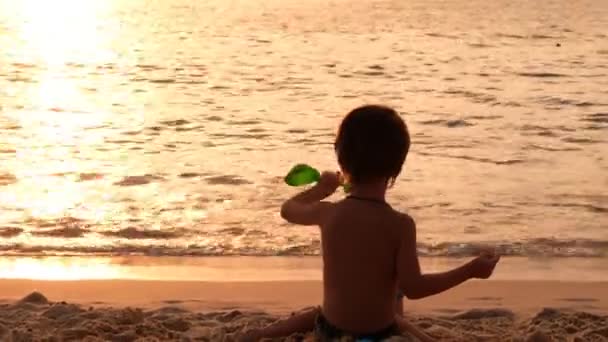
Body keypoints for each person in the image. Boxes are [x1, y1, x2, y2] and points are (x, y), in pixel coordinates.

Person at [241, 105, 500, 341]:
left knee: (321, 312)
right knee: (396, 296)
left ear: (341, 158)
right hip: (376, 337)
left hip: (329, 332)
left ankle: (264, 334)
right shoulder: (400, 225)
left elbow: (289, 209)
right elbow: (416, 287)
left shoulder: (329, 214)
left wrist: (322, 188)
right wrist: (470, 270)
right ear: (396, 168)